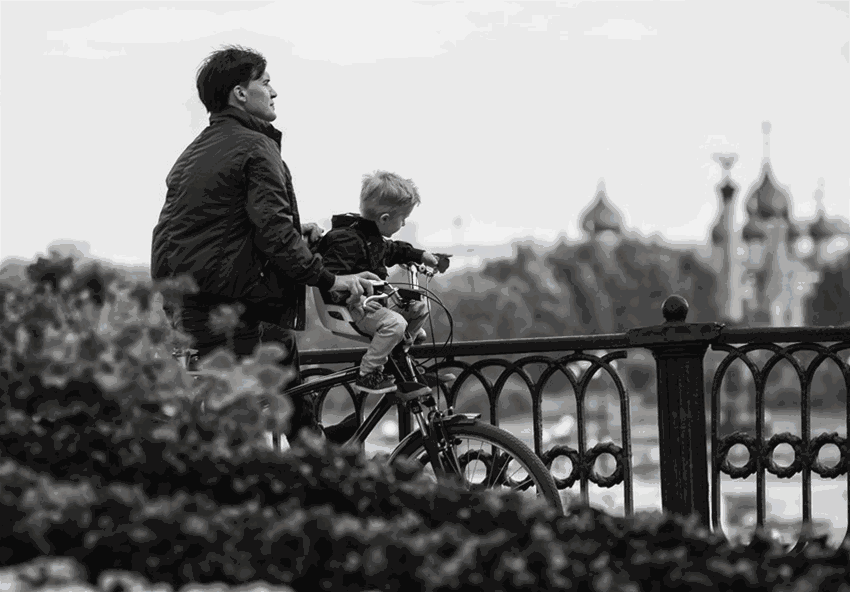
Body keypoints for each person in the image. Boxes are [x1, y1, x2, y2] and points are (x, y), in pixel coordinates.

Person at [151, 45, 378, 440]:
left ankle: (311, 447)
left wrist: (296, 230)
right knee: (237, 431)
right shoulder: (256, 146)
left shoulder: (193, 153)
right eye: (266, 82)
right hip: (226, 310)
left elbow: (220, 228)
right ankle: (298, 458)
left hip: (191, 307)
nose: (274, 92)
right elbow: (272, 233)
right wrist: (329, 279)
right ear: (240, 93)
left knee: (280, 350)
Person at [314, 170, 440, 394]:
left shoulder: (370, 237)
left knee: (420, 307)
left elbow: (394, 250)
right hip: (353, 308)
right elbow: (331, 279)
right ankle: (368, 373)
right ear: (384, 219)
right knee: (396, 324)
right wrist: (356, 298)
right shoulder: (345, 240)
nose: (404, 223)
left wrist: (421, 256)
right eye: (403, 219)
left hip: (375, 304)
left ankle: (399, 357)